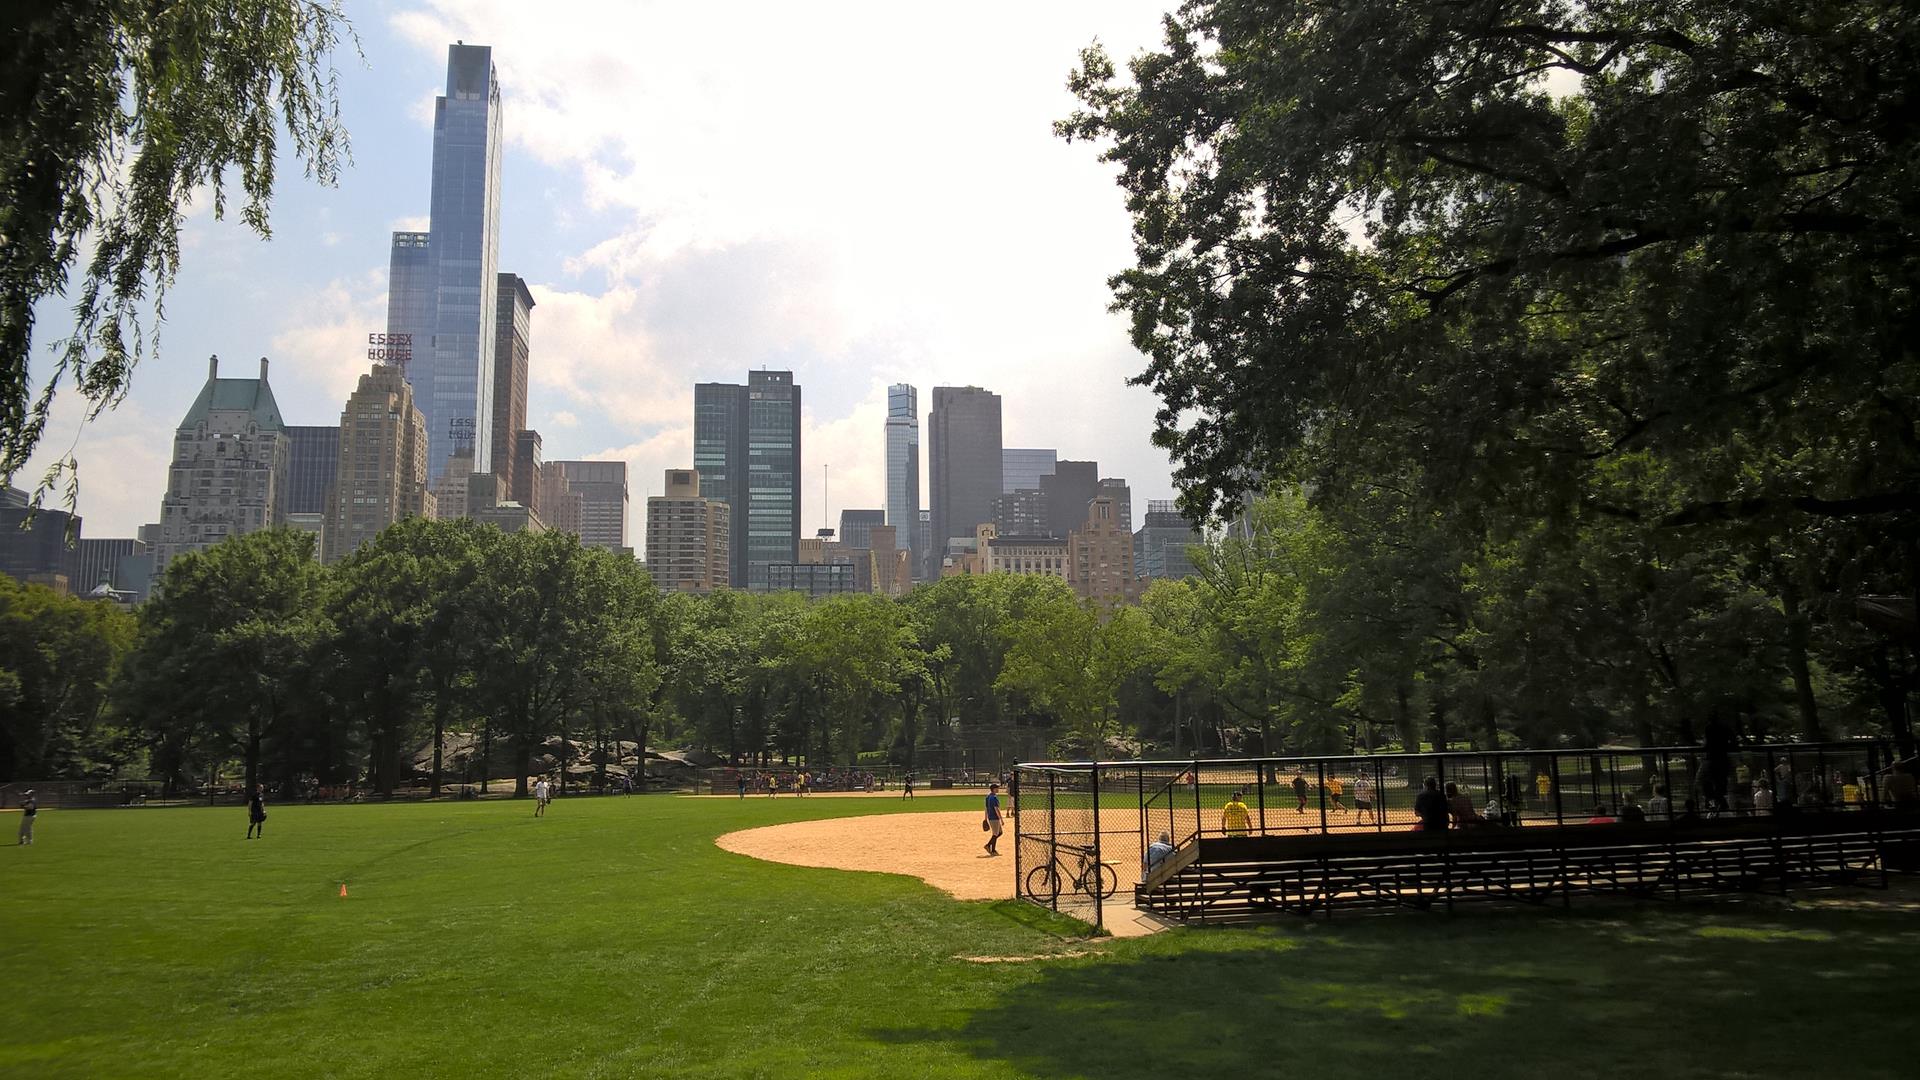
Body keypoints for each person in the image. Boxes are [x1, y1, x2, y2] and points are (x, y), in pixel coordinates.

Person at [982, 783, 1004, 856]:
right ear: (994, 789)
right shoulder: (994, 797)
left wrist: (985, 818)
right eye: (997, 788)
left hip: (990, 817)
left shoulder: (988, 797)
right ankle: (992, 849)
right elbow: (996, 809)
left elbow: (986, 808)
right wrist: (1001, 819)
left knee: (1000, 833)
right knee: (995, 834)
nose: (998, 789)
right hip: (994, 818)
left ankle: (989, 846)